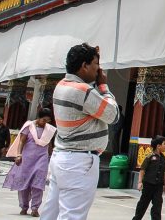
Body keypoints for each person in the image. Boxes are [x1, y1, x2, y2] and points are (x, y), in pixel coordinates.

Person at [41, 43, 119, 220]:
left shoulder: (62, 85)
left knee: (50, 213)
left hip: (61, 157)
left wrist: (94, 60)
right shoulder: (83, 91)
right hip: (79, 162)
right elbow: (113, 115)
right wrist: (104, 86)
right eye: (95, 65)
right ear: (84, 66)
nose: (98, 70)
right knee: (73, 215)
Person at [4, 108, 57, 216]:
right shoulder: (29, 127)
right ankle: (24, 207)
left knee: (38, 184)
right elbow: (21, 142)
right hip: (27, 159)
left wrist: (52, 156)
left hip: (42, 159)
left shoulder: (49, 130)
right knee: (24, 184)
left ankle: (35, 208)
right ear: (39, 117)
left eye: (47, 121)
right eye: (44, 120)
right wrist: (19, 155)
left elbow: (49, 144)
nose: (45, 123)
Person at [132, 135, 165, 220]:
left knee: (157, 205)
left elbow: (164, 173)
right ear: (158, 146)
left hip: (158, 186)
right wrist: (140, 182)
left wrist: (164, 185)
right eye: (164, 144)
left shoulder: (164, 159)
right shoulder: (150, 157)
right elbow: (142, 170)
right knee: (143, 205)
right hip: (148, 185)